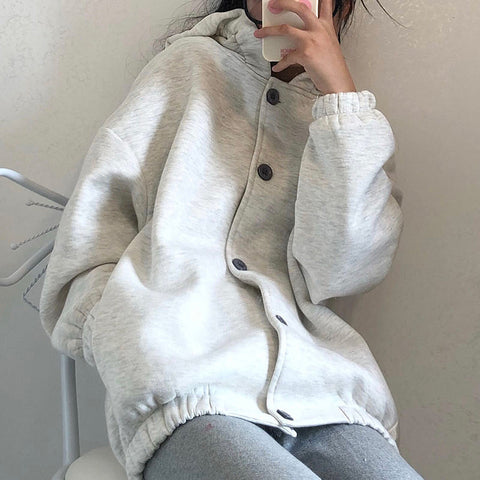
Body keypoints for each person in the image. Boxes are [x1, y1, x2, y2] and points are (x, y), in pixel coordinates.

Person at [39, 0, 424, 479]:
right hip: (187, 388)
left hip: (326, 393)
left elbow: (342, 272)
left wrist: (339, 101)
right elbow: (87, 245)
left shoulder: (346, 124)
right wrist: (136, 341)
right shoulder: (189, 67)